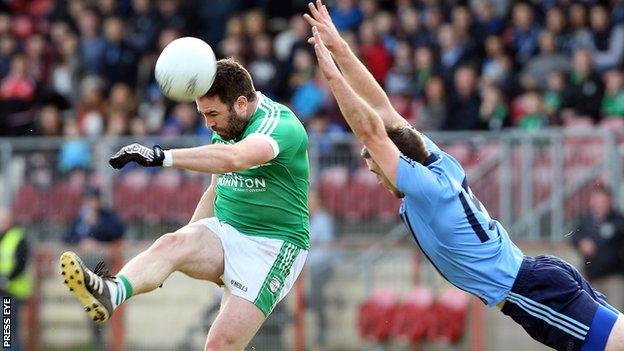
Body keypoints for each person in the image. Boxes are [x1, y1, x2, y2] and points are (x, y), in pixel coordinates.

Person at [303, 1, 624, 350]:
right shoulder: (436, 162)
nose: (376, 177)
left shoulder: (423, 187)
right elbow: (385, 112)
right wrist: (339, 47)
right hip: (537, 277)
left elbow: (372, 132)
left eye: (376, 168)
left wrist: (332, 77)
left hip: (528, 292)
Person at [60, 58, 310, 350]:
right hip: (228, 232)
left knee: (219, 345)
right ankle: (111, 292)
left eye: (212, 114)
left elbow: (235, 159)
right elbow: (217, 189)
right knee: (170, 243)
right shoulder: (227, 122)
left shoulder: (280, 125)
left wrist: (161, 156)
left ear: (241, 103)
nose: (209, 123)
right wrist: (180, 252)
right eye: (203, 114)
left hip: (273, 247)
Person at [64, 186, 125, 351]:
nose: (90, 203)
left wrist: (96, 228)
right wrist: (81, 242)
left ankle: (106, 341)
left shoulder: (107, 216)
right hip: (85, 269)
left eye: (93, 200)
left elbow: (117, 232)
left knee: (104, 301)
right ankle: (98, 341)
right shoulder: (79, 218)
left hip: (104, 267)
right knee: (92, 305)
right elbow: (68, 235)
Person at [573, 185, 624, 312]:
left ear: (609, 201)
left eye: (603, 201)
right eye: (596, 201)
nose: (599, 204)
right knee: (593, 315)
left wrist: (595, 243)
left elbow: (611, 237)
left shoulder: (618, 219)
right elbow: (574, 236)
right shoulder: (586, 220)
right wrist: (581, 242)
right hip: (591, 278)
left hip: (614, 278)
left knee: (616, 315)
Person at [0, 208, 33, 351]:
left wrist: (6, 279)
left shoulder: (17, 238)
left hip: (11, 292)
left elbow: (21, 263)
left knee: (8, 331)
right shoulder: (4, 237)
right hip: (4, 291)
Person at [307, 190, 335, 348]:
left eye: (312, 199)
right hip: (314, 269)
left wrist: (306, 262)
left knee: (317, 301)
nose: (309, 203)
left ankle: (321, 333)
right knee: (315, 302)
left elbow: (326, 248)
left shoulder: (322, 220)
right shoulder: (314, 219)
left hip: (321, 269)